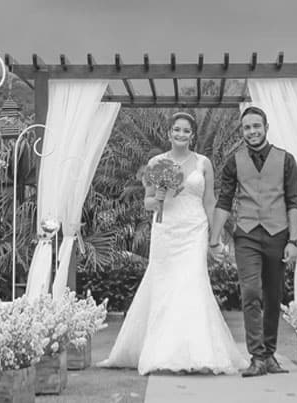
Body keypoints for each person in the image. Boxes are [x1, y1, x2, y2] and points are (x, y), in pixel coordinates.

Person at [98, 112, 247, 375]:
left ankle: (198, 352)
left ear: (192, 135)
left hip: (194, 229)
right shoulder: (156, 162)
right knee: (165, 286)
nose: (181, 134)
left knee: (192, 283)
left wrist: (215, 238)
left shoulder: (203, 163)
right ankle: (164, 352)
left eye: (186, 130)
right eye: (176, 129)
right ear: (169, 133)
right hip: (166, 230)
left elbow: (209, 202)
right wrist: (159, 196)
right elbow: (147, 203)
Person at [209, 106, 297, 377]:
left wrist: (293, 240)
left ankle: (270, 355)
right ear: (243, 131)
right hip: (247, 234)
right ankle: (257, 357)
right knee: (250, 292)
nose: (252, 131)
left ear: (266, 127)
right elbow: (224, 201)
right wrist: (214, 239)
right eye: (247, 127)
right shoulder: (234, 161)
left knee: (273, 296)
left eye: (256, 126)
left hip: (278, 234)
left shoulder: (286, 160)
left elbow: (294, 201)